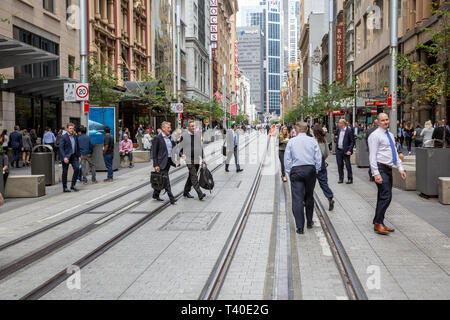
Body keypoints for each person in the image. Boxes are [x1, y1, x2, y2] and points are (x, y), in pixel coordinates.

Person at [368, 113, 406, 235]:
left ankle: (379, 223)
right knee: (386, 196)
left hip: (388, 169)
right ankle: (377, 223)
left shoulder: (389, 135)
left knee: (382, 197)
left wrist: (400, 168)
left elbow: (394, 152)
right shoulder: (375, 136)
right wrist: (376, 173)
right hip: (380, 168)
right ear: (378, 122)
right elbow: (372, 155)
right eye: (383, 120)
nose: (386, 122)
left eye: (387, 120)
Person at [284, 122, 322, 234]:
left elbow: (287, 159)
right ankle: (309, 222)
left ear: (296, 129)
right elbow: (318, 157)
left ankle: (300, 226)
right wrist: (316, 169)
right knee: (309, 196)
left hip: (296, 170)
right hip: (310, 170)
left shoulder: (291, 141)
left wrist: (289, 171)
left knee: (297, 199)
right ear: (306, 129)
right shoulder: (312, 141)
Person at [178, 120, 206, 200]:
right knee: (194, 176)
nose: (194, 127)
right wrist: (181, 154)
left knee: (191, 175)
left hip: (197, 158)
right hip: (189, 159)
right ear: (188, 127)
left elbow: (200, 147)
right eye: (192, 126)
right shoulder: (184, 136)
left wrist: (203, 157)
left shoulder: (197, 135)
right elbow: (178, 148)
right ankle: (200, 193)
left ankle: (186, 192)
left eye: (194, 126)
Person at [152, 121, 177, 205]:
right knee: (166, 179)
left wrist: (181, 155)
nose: (170, 129)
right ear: (163, 128)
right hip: (161, 162)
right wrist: (155, 165)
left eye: (170, 128)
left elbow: (175, 148)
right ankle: (171, 197)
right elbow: (154, 153)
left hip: (169, 162)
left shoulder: (170, 138)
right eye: (168, 128)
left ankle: (156, 194)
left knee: (162, 179)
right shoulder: (157, 138)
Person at [313, 124, 335, 211]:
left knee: (310, 184)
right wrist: (322, 160)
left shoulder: (313, 141)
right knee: (324, 183)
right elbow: (326, 153)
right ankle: (330, 198)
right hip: (321, 163)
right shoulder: (324, 140)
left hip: (313, 163)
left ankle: (306, 200)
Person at [59, 123, 81, 192]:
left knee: (77, 168)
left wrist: (79, 156)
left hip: (74, 156)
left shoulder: (75, 136)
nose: (71, 130)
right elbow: (61, 148)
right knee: (65, 172)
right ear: (67, 129)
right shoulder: (63, 137)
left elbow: (77, 146)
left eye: (72, 128)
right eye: (70, 128)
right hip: (66, 157)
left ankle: (73, 185)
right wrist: (64, 157)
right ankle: (64, 187)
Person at [334, 119, 355, 184]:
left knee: (348, 165)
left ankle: (350, 178)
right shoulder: (339, 130)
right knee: (339, 165)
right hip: (339, 150)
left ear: (343, 124)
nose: (338, 124)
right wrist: (336, 139)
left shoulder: (349, 131)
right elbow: (336, 137)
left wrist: (350, 150)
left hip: (346, 151)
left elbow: (352, 141)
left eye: (339, 123)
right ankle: (341, 178)